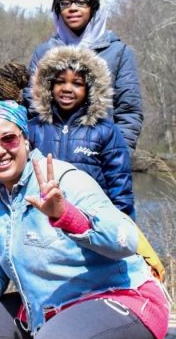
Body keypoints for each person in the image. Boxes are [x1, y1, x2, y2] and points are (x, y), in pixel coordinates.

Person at [0, 97, 169, 339]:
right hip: (48, 310)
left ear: (26, 140)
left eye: (9, 139)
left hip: (121, 297)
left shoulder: (65, 181)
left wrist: (67, 216)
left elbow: (126, 240)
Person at [23, 0, 143, 154]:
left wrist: (119, 157)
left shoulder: (118, 52)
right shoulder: (44, 52)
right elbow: (31, 108)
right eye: (65, 3)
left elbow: (128, 111)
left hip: (99, 158)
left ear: (94, 7)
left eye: (81, 2)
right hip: (49, 158)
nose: (72, 8)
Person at [28, 46, 134, 219]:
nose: (67, 88)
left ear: (90, 89)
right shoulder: (33, 129)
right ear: (49, 85)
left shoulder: (105, 131)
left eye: (77, 83)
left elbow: (120, 189)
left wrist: (121, 228)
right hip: (41, 224)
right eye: (60, 81)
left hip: (89, 223)